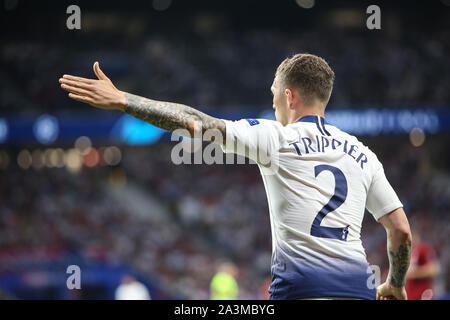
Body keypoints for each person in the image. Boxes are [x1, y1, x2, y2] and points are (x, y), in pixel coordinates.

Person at [59, 53, 412, 300]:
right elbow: (400, 230)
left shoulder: (275, 137)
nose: (272, 101)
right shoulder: (363, 153)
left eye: (274, 92)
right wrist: (395, 284)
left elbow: (193, 121)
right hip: (357, 290)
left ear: (289, 95)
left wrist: (124, 100)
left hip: (301, 291)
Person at [405, 228, 440, 300]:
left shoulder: (423, 249)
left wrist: (412, 273)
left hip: (423, 293)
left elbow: (433, 269)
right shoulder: (406, 253)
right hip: (410, 294)